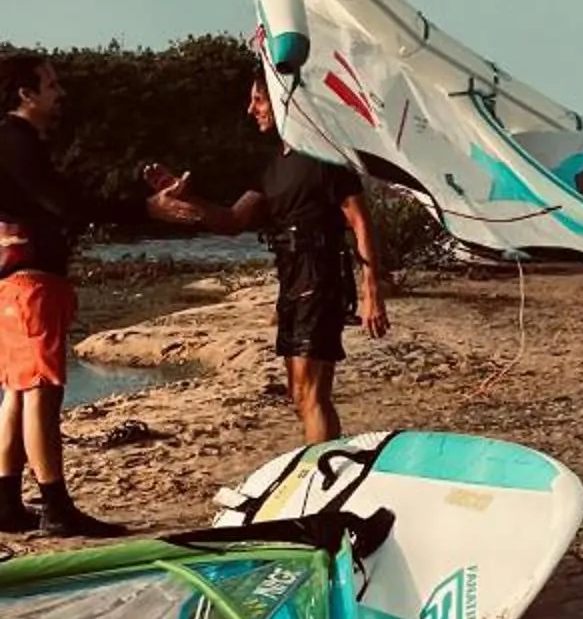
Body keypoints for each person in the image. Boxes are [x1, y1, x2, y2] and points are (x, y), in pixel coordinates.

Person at [148, 72, 389, 445]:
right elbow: (231, 221)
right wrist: (185, 198)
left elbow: (360, 220)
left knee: (312, 394)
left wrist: (372, 290)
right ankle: (320, 462)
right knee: (298, 393)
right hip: (291, 278)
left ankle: (320, 473)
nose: (251, 109)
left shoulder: (325, 156)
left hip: (320, 273)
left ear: (282, 101)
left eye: (258, 100)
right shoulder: (272, 166)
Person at [0, 52, 139, 539]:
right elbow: (65, 204)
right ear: (26, 93)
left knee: (19, 389)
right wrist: (144, 206)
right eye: (51, 84)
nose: (60, 93)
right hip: (30, 283)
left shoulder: (16, 143)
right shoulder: (17, 143)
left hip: (15, 282)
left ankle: (6, 502)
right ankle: (55, 505)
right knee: (41, 389)